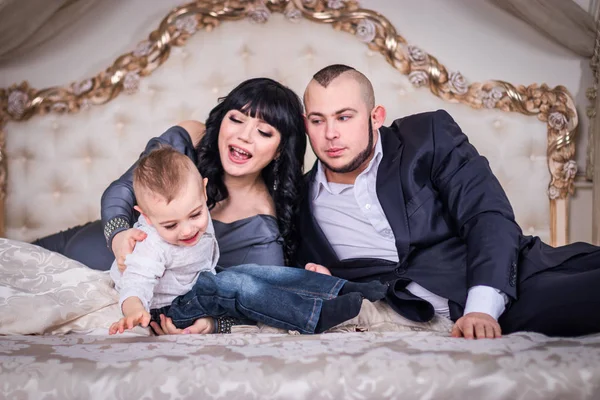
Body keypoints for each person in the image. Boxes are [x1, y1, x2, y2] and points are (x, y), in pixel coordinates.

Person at [296, 64, 600, 339]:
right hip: (436, 315)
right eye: (317, 120)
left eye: (344, 117)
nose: (331, 134)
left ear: (376, 117)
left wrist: (481, 309)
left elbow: (487, 214)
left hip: (510, 278)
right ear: (304, 123)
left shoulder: (426, 136)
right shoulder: (301, 202)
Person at [32, 77, 309, 334]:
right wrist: (118, 236)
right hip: (79, 244)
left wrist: (213, 325)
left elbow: (259, 302)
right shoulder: (190, 139)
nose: (244, 136)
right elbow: (123, 189)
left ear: (280, 149)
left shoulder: (262, 227)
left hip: (114, 293)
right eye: (236, 119)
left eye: (263, 132)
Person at [109, 146, 386, 335]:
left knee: (256, 273)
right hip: (170, 308)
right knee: (236, 284)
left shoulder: (193, 205)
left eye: (195, 214)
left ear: (204, 192)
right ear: (145, 215)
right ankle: (313, 317)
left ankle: (340, 287)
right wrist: (134, 308)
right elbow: (137, 280)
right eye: (170, 224)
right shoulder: (149, 242)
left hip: (200, 282)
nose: (186, 230)